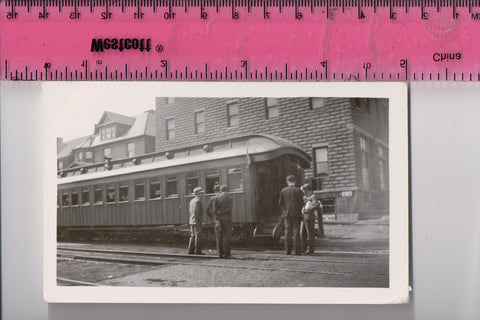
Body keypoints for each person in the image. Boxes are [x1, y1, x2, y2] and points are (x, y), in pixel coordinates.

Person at [278, 175, 304, 255]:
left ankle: (288, 251)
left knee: (287, 232)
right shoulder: (298, 190)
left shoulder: (283, 190)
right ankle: (297, 251)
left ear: (287, 181)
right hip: (296, 214)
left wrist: (284, 212)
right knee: (296, 232)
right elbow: (301, 203)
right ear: (294, 181)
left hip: (287, 215)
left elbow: (280, 203)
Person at [300, 183, 323, 255]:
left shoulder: (313, 196)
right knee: (303, 233)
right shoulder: (306, 197)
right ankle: (303, 249)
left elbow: (316, 204)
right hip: (304, 217)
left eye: (305, 190)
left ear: (309, 190)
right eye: (303, 190)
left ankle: (310, 250)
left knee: (310, 234)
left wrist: (309, 210)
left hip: (309, 217)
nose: (304, 192)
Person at [213, 185, 233, 258]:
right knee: (227, 236)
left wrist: (217, 219)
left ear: (221, 190)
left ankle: (220, 254)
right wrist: (223, 211)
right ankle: (227, 254)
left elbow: (214, 210)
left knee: (219, 237)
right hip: (227, 219)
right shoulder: (230, 198)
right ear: (227, 190)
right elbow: (230, 209)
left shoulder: (216, 198)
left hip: (218, 219)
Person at [188, 186, 205, 255]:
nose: (202, 194)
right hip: (196, 221)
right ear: (198, 193)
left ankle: (190, 250)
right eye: (201, 193)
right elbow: (196, 213)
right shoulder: (198, 201)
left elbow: (190, 211)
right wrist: (198, 222)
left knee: (192, 236)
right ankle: (198, 251)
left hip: (191, 221)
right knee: (198, 236)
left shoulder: (192, 201)